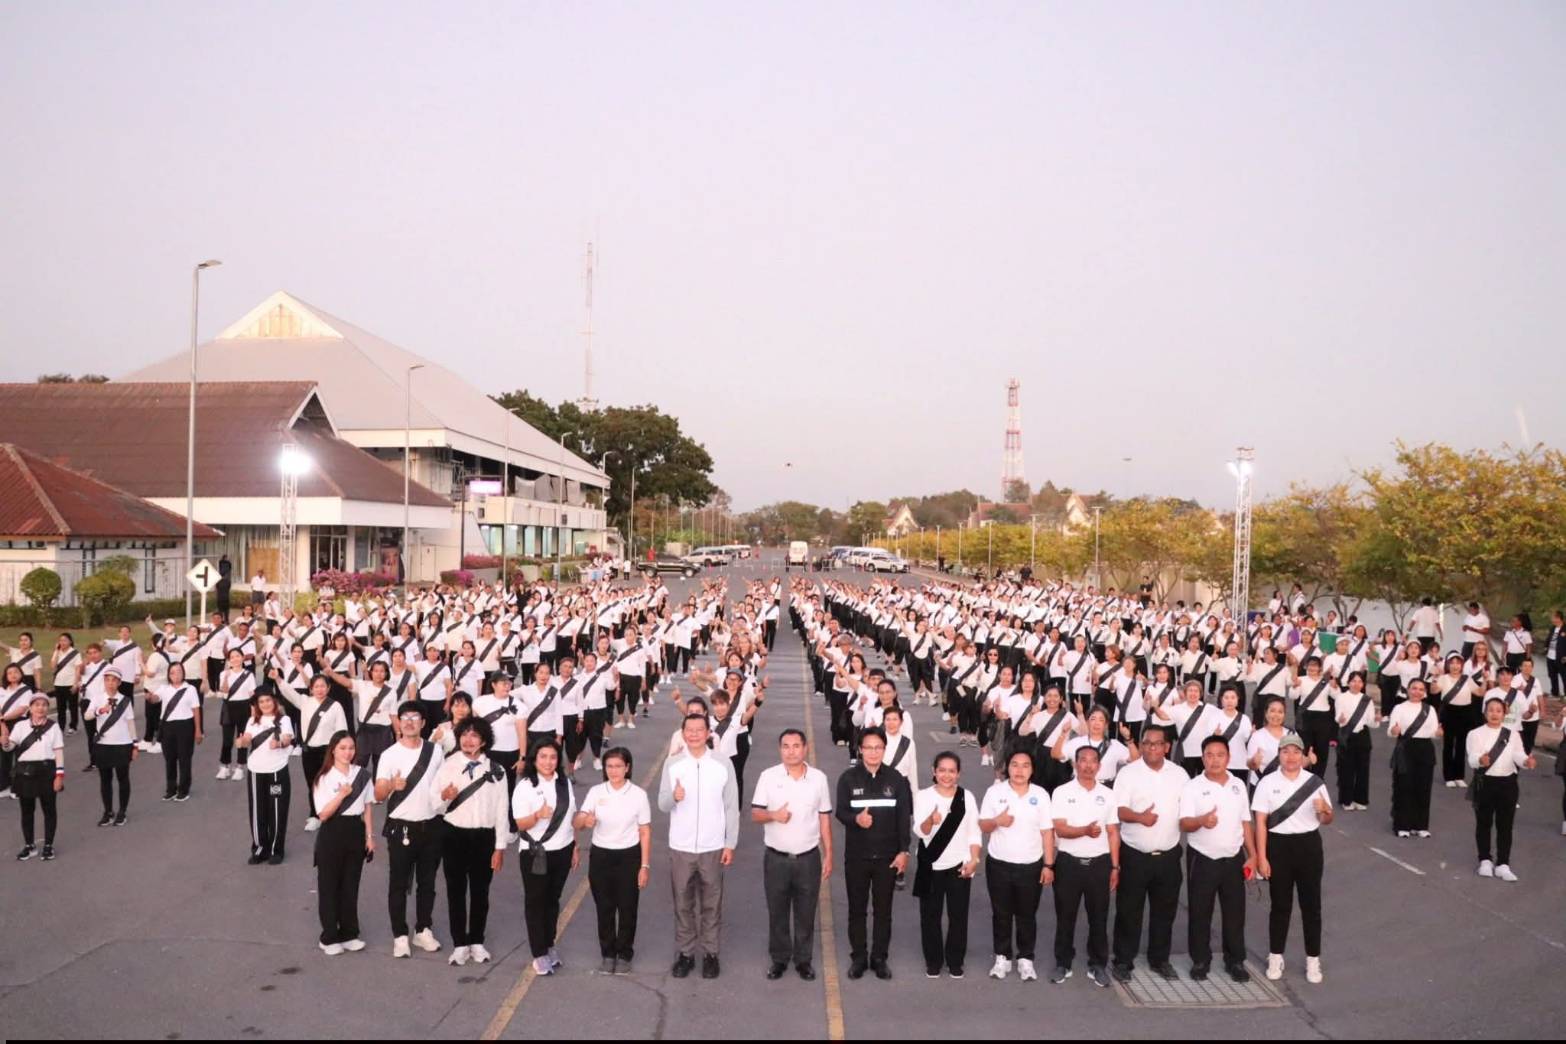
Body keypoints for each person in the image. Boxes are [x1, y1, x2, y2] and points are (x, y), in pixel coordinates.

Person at [659, 713, 740, 979]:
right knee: (682, 903)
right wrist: (674, 797)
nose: (694, 734)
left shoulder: (722, 763)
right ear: (683, 734)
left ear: (708, 733)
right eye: (689, 730)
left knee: (711, 903)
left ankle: (710, 954)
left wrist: (730, 843)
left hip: (712, 845)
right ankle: (685, 954)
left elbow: (731, 807)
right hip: (681, 846)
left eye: (699, 730)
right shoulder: (672, 764)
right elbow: (662, 804)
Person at [752, 728, 834, 980]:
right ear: (780, 750)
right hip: (776, 858)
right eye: (785, 746)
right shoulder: (768, 776)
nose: (791, 751)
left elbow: (823, 818)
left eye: (796, 746)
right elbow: (756, 814)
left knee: (806, 912)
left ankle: (803, 960)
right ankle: (779, 958)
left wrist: (828, 853)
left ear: (805, 748)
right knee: (777, 911)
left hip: (808, 858)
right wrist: (774, 815)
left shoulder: (819, 779)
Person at [1253, 732, 1332, 984]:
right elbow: (1261, 822)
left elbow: (1327, 818)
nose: (1291, 756)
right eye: (1286, 751)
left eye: (1296, 752)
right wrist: (1261, 857)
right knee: (1280, 905)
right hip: (1278, 846)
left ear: (1303, 755)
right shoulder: (1267, 783)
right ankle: (1276, 956)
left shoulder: (1315, 782)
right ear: (1279, 754)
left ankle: (1313, 959)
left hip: (1308, 845)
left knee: (1311, 906)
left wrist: (1324, 812)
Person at [1111, 724, 1187, 982]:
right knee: (1128, 910)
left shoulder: (1179, 775)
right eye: (1146, 743)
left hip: (1168, 856)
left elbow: (1187, 811)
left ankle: (1159, 959)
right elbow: (1119, 811)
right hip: (1135, 855)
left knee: (1164, 911)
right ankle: (1123, 960)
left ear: (1167, 747)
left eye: (1157, 743)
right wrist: (1140, 817)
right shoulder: (1128, 774)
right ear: (1141, 745)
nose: (1151, 747)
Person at [835, 726, 912, 980]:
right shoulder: (848, 778)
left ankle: (879, 958)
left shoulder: (896, 780)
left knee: (883, 911)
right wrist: (856, 819)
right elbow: (841, 812)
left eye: (878, 747)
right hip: (857, 857)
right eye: (868, 747)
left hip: (887, 859)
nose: (873, 752)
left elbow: (903, 818)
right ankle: (859, 957)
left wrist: (903, 851)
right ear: (860, 749)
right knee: (856, 910)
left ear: (884, 749)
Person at [1179, 735, 1257, 982]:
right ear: (1203, 758)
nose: (1215, 760)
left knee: (1235, 913)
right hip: (1202, 858)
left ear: (1228, 757)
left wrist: (1252, 855)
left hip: (1233, 858)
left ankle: (1235, 961)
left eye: (1220, 755)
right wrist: (1202, 821)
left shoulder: (1238, 785)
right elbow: (1185, 823)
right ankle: (1200, 960)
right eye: (1209, 755)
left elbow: (1246, 822)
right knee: (1200, 912)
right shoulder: (1192, 787)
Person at [375, 702, 447, 958]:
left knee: (427, 882)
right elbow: (378, 794)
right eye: (404, 717)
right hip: (400, 827)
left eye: (415, 717)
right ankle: (400, 935)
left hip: (431, 825)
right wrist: (392, 785)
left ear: (423, 723)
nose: (409, 722)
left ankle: (423, 930)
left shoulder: (435, 751)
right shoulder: (389, 755)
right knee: (399, 882)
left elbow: (442, 785)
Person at [436, 718, 510, 967]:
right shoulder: (448, 765)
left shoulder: (497, 770)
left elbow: (502, 810)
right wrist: (444, 797)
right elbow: (435, 803)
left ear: (484, 741)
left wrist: (499, 847)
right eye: (464, 735)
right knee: (455, 891)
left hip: (483, 838)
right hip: (454, 834)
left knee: (481, 891)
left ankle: (477, 940)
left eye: (474, 736)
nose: (468, 740)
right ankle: (459, 944)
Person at [978, 748, 1054, 982]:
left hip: (1031, 864)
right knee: (1001, 913)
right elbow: (983, 825)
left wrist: (1048, 865)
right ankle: (1002, 957)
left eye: (1025, 765)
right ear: (1007, 767)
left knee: (1027, 914)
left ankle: (1025, 958)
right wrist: (997, 821)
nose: (1019, 770)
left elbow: (1047, 832)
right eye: (1014, 765)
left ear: (1032, 770)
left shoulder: (1040, 795)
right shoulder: (995, 792)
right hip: (999, 863)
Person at [1048, 745, 1120, 987]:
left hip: (1099, 864)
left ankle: (1097, 964)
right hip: (1069, 863)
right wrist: (1085, 831)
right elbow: (1060, 828)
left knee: (1098, 918)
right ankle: (1063, 963)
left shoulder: (1108, 794)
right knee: (1065, 917)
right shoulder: (1061, 792)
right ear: (1075, 764)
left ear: (1099, 766)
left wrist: (1115, 867)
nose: (1088, 765)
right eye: (1083, 761)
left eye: (1093, 761)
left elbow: (1112, 832)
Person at [577, 745, 653, 974]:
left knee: (628, 907)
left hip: (628, 856)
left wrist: (644, 865)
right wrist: (584, 821)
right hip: (601, 855)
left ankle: (625, 954)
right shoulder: (597, 792)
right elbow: (579, 820)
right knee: (605, 907)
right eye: (609, 766)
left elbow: (645, 831)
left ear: (627, 767)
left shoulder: (638, 795)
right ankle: (608, 953)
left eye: (619, 766)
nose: (613, 770)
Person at [912, 751, 982, 979]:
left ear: (959, 774)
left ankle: (955, 961)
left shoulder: (967, 797)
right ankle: (933, 961)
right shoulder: (923, 796)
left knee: (958, 916)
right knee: (930, 916)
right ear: (933, 771)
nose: (946, 775)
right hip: (930, 864)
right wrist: (930, 821)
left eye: (952, 771)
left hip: (959, 865)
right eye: (942, 770)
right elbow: (919, 831)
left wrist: (974, 859)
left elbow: (974, 831)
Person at [512, 737, 577, 974]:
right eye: (543, 757)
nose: (548, 762)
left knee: (553, 901)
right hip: (535, 854)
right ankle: (538, 953)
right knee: (536, 902)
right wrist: (538, 815)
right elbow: (520, 823)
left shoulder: (564, 783)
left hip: (563, 850)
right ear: (534, 759)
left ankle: (549, 945)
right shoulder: (525, 786)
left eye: (553, 757)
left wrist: (575, 847)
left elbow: (570, 817)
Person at [313, 731, 373, 955]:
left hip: (355, 831)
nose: (348, 752)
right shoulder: (324, 778)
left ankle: (349, 933)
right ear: (333, 750)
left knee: (350, 885)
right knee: (329, 886)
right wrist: (341, 796)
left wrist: (369, 836)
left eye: (351, 748)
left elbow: (367, 806)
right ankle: (329, 937)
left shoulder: (362, 775)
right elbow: (323, 814)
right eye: (342, 748)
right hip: (332, 832)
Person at [1466, 695, 1536, 882]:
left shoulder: (1512, 734)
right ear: (1485, 713)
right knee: (1484, 822)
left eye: (1498, 710)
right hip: (1485, 783)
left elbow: (1518, 754)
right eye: (1491, 710)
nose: (1494, 714)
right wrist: (1480, 760)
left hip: (1508, 784)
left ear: (1504, 713)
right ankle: (1485, 860)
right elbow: (1472, 757)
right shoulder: (1475, 734)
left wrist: (1526, 761)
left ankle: (1503, 863)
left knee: (1505, 825)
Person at [2, 692, 65, 860]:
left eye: (44, 704)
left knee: (49, 810)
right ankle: (29, 845)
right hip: (25, 772)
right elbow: (10, 748)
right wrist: (5, 741)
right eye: (36, 705)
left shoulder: (53, 726)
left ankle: (48, 845)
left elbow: (58, 751)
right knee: (27, 811)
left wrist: (59, 775)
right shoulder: (21, 726)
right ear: (30, 708)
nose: (40, 708)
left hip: (47, 771)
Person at [237, 691, 294, 864]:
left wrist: (279, 743)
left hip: (276, 771)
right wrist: (241, 742)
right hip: (255, 771)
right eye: (261, 701)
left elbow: (288, 738)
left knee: (276, 810)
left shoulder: (284, 720)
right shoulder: (252, 721)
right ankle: (260, 849)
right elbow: (246, 739)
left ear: (274, 702)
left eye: (268, 700)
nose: (265, 704)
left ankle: (277, 849)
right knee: (257, 811)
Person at [1387, 679, 1441, 838]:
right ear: (1408, 690)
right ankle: (1402, 825)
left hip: (1425, 749)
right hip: (1405, 748)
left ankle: (1420, 825)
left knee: (1423, 787)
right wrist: (1394, 730)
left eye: (1420, 689)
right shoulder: (1399, 708)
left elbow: (1433, 731)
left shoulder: (1429, 709)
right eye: (1414, 688)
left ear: (1424, 692)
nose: (1417, 692)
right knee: (1403, 787)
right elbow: (1391, 731)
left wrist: (1437, 734)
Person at [145, 662, 202, 803]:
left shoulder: (190, 689)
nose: (176, 675)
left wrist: (198, 730)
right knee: (169, 759)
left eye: (178, 672)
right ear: (169, 675)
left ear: (183, 673)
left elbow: (196, 710)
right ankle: (171, 789)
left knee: (184, 758)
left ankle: (183, 790)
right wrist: (150, 697)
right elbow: (155, 698)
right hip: (167, 727)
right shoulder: (164, 688)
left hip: (185, 726)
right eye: (172, 672)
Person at [87, 667, 137, 826]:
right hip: (103, 745)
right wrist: (99, 711)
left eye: (114, 680)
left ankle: (122, 811)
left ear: (119, 683)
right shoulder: (96, 698)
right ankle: (108, 811)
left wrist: (134, 744)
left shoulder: (125, 700)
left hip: (122, 744)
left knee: (123, 778)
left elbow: (130, 723)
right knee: (105, 779)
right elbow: (87, 716)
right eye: (108, 680)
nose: (110, 683)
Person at [1333, 671, 1376, 810]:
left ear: (1363, 684)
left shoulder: (1367, 700)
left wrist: (1376, 720)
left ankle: (1361, 799)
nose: (1356, 684)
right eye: (1353, 681)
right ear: (1348, 682)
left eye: (1359, 681)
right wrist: (1340, 719)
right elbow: (1338, 715)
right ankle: (1346, 799)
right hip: (1347, 735)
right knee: (1347, 768)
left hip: (1363, 735)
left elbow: (1371, 722)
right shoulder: (1341, 697)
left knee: (1363, 769)